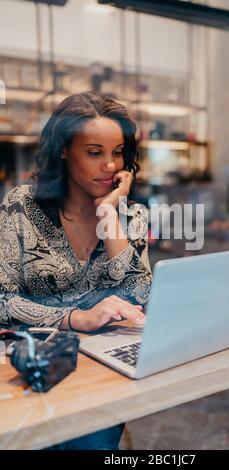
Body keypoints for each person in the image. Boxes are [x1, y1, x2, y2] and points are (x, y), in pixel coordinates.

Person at [0, 92, 152, 450]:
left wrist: (110, 213)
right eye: (95, 152)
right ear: (64, 149)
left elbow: (140, 295)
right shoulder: (20, 206)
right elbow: (2, 300)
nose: (111, 166)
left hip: (102, 368)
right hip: (29, 363)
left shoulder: (131, 215)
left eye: (118, 153)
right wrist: (76, 318)